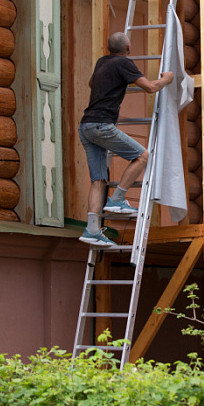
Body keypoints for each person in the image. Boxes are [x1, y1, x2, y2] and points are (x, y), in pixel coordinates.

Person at [78, 32, 173, 247]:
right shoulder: (124, 63)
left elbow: (92, 83)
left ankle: (92, 230)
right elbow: (149, 88)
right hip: (102, 125)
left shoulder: (102, 62)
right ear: (128, 46)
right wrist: (167, 79)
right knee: (142, 155)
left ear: (109, 47)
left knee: (98, 180)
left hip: (86, 126)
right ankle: (118, 199)